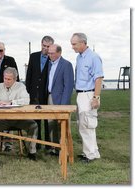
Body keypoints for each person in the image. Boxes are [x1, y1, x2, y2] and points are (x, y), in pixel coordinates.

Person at [0, 67, 38, 167]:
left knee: (33, 125)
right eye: (5, 78)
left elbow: (26, 100)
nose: (6, 81)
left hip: (19, 119)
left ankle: (31, 152)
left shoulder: (20, 87)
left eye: (9, 79)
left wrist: (10, 102)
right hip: (2, 120)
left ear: (15, 79)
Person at [70, 33, 104, 163]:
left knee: (87, 125)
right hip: (80, 94)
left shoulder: (94, 57)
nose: (72, 47)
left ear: (83, 43)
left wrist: (96, 97)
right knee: (82, 125)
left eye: (74, 44)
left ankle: (90, 155)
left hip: (89, 94)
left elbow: (98, 78)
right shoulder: (80, 57)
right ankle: (91, 152)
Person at [25, 35, 54, 150]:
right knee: (35, 120)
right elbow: (29, 76)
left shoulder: (53, 58)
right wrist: (28, 92)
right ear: (41, 44)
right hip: (34, 93)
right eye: (44, 46)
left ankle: (48, 144)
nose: (46, 48)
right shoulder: (33, 56)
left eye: (48, 46)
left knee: (47, 120)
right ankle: (36, 143)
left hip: (46, 94)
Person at [46, 44, 74, 156]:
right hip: (49, 98)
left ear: (59, 53)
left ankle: (65, 150)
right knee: (51, 124)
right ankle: (55, 149)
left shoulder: (66, 65)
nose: (50, 55)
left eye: (52, 53)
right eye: (49, 53)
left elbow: (68, 87)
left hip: (61, 100)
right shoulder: (49, 64)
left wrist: (64, 105)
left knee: (62, 124)